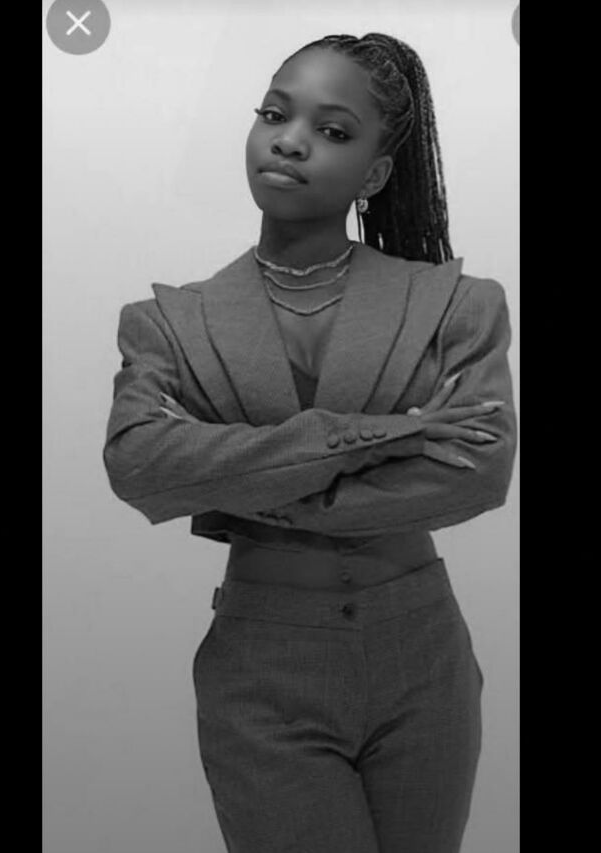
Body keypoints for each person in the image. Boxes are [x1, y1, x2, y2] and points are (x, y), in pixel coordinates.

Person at [103, 32, 517, 853]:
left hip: (424, 658)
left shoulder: (455, 304)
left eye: (332, 130)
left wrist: (240, 484)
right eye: (274, 114)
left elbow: (478, 472)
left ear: (375, 174)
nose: (290, 140)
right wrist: (387, 433)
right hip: (265, 665)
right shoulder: (169, 323)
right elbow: (140, 465)